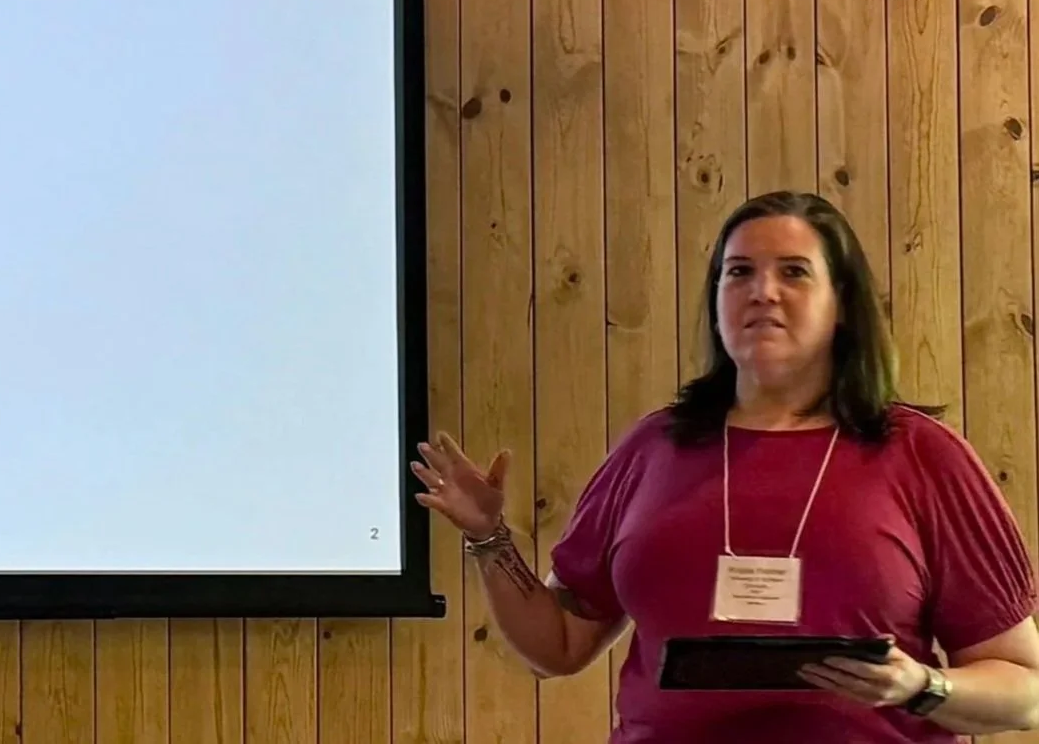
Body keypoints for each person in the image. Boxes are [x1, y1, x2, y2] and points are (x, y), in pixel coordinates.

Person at [413, 190, 1039, 743]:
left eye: (793, 272)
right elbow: (557, 648)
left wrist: (921, 686)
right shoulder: (654, 449)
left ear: (843, 303)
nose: (762, 291)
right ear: (716, 300)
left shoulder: (922, 454)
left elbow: (1025, 690)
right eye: (739, 272)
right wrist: (488, 537)